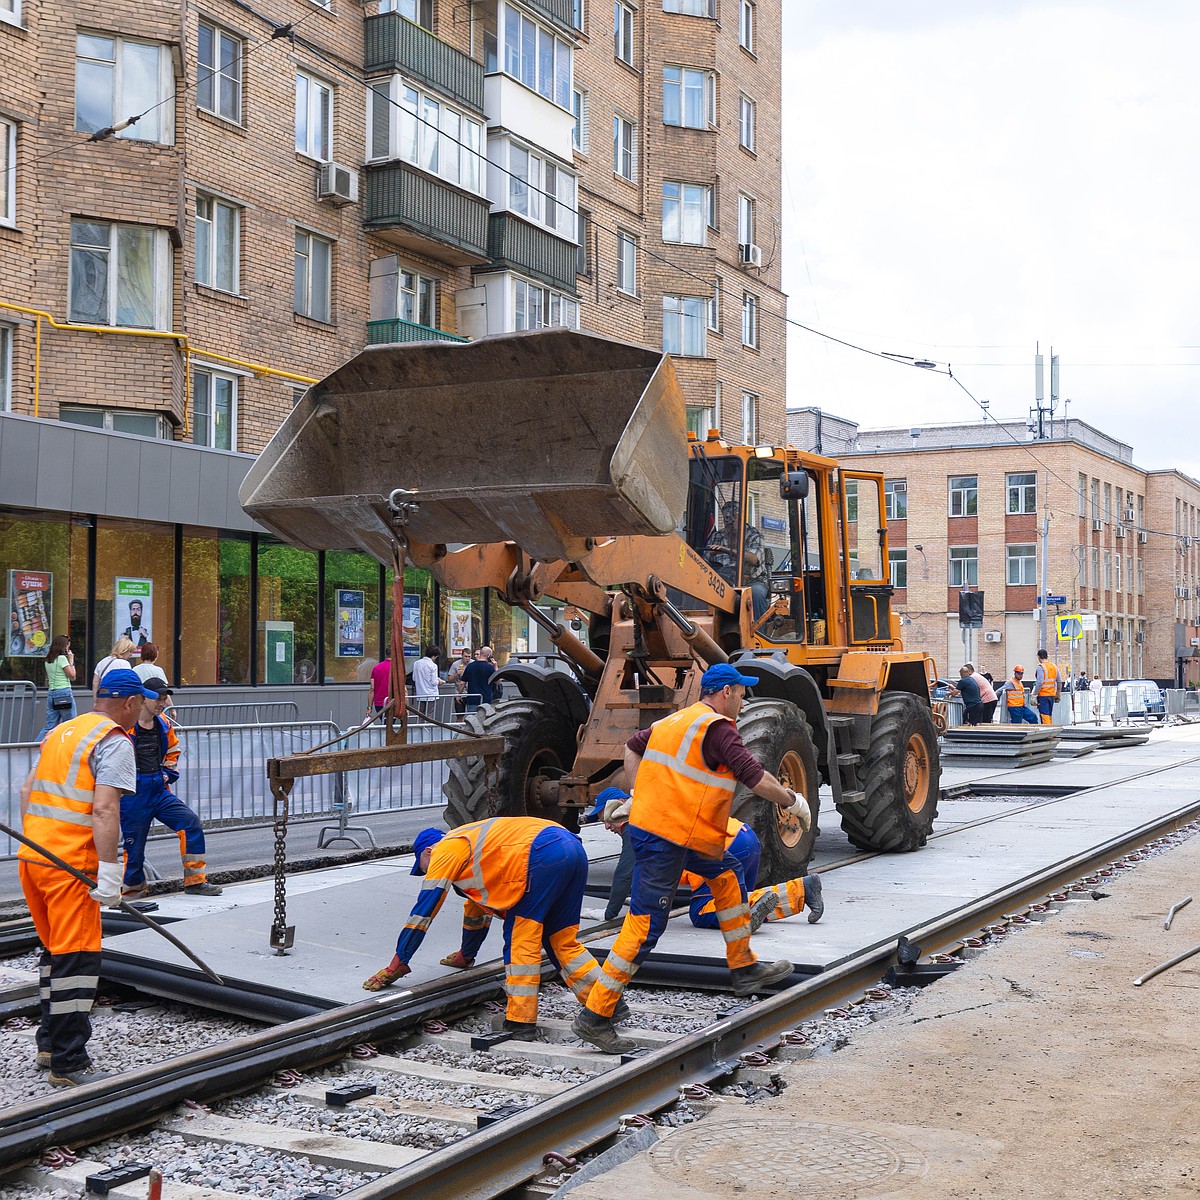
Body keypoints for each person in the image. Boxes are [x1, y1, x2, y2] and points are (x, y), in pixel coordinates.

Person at [573, 662, 811, 1054]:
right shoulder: (718, 729)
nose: (743, 698)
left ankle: (744, 967)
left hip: (680, 833)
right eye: (739, 691)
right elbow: (755, 777)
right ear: (724, 693)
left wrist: (639, 795)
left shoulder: (676, 721)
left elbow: (632, 747)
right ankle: (595, 1016)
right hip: (665, 838)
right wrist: (792, 800)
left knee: (728, 876)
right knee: (645, 925)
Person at [18, 668, 153, 1086]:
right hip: (72, 866)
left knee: (55, 952)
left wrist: (42, 839)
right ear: (130, 703)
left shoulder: (64, 731)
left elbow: (27, 792)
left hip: (35, 857)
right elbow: (104, 810)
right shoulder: (112, 741)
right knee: (77, 959)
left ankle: (48, 1043)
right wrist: (111, 872)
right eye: (143, 703)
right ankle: (69, 1062)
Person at [362, 818, 607, 1042]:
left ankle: (520, 1023)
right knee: (561, 940)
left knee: (521, 941)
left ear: (428, 852)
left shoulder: (445, 848)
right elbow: (476, 910)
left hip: (542, 854)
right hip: (571, 847)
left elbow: (423, 912)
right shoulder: (475, 850)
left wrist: (397, 963)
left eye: (423, 866)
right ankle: (605, 1004)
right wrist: (466, 956)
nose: (425, 871)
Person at [601, 801, 824, 931]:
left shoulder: (638, 830)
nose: (606, 828)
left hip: (727, 847)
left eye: (607, 821)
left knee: (701, 913)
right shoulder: (657, 819)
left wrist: (611, 913)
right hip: (745, 838)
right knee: (738, 898)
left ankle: (745, 916)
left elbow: (626, 874)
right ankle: (803, 890)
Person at [121, 677, 222, 899]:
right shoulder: (126, 725)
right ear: (143, 697)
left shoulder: (164, 724)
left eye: (164, 698)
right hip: (133, 793)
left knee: (190, 822)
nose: (163, 702)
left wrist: (168, 773)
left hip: (158, 788)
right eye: (159, 697)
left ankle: (196, 881)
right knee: (134, 844)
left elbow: (173, 750)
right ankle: (133, 889)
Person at [704, 500, 770, 620]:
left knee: (755, 594)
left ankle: (758, 634)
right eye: (726, 518)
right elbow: (705, 563)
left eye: (734, 517)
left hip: (751, 582)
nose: (730, 521)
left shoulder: (754, 535)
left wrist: (728, 551)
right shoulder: (716, 536)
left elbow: (754, 559)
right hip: (721, 583)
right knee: (702, 593)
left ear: (742, 517)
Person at [37, 635, 77, 737]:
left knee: (50, 726)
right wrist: (71, 660)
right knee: (70, 725)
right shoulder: (62, 659)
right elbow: (72, 676)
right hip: (64, 693)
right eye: (67, 646)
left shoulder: (48, 660)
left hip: (52, 693)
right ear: (63, 646)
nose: (68, 649)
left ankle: (35, 748)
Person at [461, 646, 497, 711]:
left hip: (472, 699)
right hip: (485, 699)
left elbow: (462, 683)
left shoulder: (470, 666)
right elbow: (498, 681)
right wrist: (495, 667)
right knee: (485, 719)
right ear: (489, 656)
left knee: (471, 719)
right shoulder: (490, 668)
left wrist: (459, 695)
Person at [1033, 648, 1059, 725]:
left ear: (1039, 657)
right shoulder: (1054, 666)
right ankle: (1050, 730)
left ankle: (1047, 732)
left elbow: (1040, 682)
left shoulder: (1040, 667)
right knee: (1049, 715)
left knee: (1044, 715)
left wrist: (1034, 694)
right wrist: (1058, 693)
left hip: (1043, 696)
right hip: (1051, 695)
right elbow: (1059, 681)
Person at [412, 644, 441, 714]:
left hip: (420, 693)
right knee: (429, 715)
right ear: (434, 656)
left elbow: (414, 678)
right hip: (431, 694)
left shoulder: (416, 663)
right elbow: (434, 682)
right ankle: (427, 725)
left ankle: (420, 725)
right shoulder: (433, 665)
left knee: (421, 714)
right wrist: (440, 682)